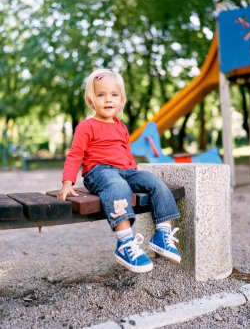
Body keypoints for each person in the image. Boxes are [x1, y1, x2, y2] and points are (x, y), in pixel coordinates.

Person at [57, 68, 181, 273]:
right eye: (101, 95)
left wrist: (137, 175)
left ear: (121, 100)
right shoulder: (87, 126)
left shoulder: (121, 127)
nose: (108, 100)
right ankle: (125, 243)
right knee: (118, 185)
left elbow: (127, 154)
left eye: (114, 95)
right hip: (99, 172)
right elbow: (75, 155)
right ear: (91, 101)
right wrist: (67, 183)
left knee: (155, 182)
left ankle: (163, 234)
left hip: (126, 170)